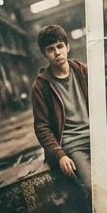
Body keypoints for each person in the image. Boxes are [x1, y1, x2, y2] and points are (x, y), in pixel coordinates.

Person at [31, 25, 92, 194]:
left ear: (67, 47)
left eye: (60, 46)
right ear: (44, 54)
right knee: (92, 188)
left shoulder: (82, 71)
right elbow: (42, 128)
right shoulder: (40, 86)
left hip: (97, 137)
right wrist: (60, 155)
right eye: (51, 49)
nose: (57, 53)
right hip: (73, 146)